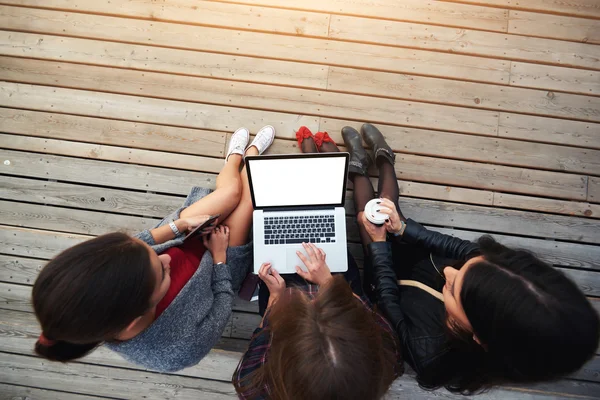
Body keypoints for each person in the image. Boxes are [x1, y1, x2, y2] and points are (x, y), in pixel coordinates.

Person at [343, 123, 600, 394]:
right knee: (386, 210)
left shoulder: (431, 356)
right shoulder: (498, 272)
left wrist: (380, 247)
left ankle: (358, 167)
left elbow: (390, 308)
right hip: (416, 258)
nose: (449, 273)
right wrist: (402, 229)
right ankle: (384, 158)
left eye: (454, 290)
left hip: (388, 286)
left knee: (367, 226)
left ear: (480, 337)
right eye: (466, 268)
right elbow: (459, 248)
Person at [32, 125, 276, 372]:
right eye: (161, 270)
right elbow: (221, 306)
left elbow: (141, 243)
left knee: (231, 193)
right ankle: (252, 154)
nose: (167, 258)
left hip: (184, 233)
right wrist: (220, 258)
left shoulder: (112, 280)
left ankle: (236, 157)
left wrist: (179, 224)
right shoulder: (179, 351)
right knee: (248, 196)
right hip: (218, 267)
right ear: (132, 322)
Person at [232, 127, 402, 400]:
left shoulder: (254, 383)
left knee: (279, 224)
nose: (307, 300)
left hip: (279, 296)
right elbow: (367, 311)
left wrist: (276, 298)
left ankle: (319, 165)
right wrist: (329, 281)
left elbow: (264, 331)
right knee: (327, 231)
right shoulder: (383, 359)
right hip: (336, 284)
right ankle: (322, 170)